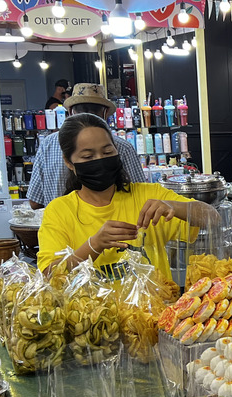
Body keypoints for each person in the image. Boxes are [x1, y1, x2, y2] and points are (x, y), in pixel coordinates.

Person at [37, 113, 214, 282]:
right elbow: (49, 274)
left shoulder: (149, 195)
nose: (100, 160)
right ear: (69, 162)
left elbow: (213, 218)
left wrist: (174, 207)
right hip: (94, 312)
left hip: (155, 310)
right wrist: (94, 245)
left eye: (107, 152)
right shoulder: (59, 211)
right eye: (88, 156)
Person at [27, 83, 145, 209]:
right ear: (105, 113)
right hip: (115, 225)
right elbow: (141, 197)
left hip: (61, 225)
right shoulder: (121, 147)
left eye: (106, 152)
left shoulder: (47, 145)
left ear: (71, 111)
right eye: (87, 156)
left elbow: (35, 201)